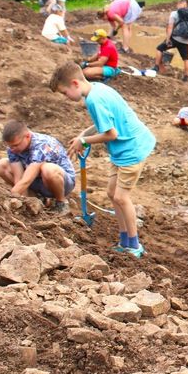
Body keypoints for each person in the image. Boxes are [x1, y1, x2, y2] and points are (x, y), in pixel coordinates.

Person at [50, 62, 156, 258]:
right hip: (125, 149)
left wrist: (84, 140)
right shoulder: (98, 89)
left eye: (65, 93)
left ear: (74, 83)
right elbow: (104, 123)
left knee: (121, 197)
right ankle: (125, 239)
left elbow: (111, 134)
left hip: (131, 150)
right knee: (111, 193)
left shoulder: (93, 101)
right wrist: (84, 134)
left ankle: (134, 245)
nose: (66, 98)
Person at [0, 120, 76, 212]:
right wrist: (21, 200)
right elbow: (19, 178)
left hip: (62, 182)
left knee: (48, 169)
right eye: (10, 146)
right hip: (37, 181)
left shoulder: (41, 144)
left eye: (16, 145)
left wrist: (10, 198)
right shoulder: (13, 149)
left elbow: (27, 180)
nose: (12, 149)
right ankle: (37, 200)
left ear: (28, 136)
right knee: (2, 165)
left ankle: (61, 203)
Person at [155, 0, 188, 82]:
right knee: (186, 58)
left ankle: (156, 67)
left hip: (175, 38)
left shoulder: (174, 13)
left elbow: (170, 27)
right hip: (185, 40)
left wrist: (168, 39)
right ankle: (186, 77)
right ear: (185, 5)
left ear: (178, 4)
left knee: (159, 48)